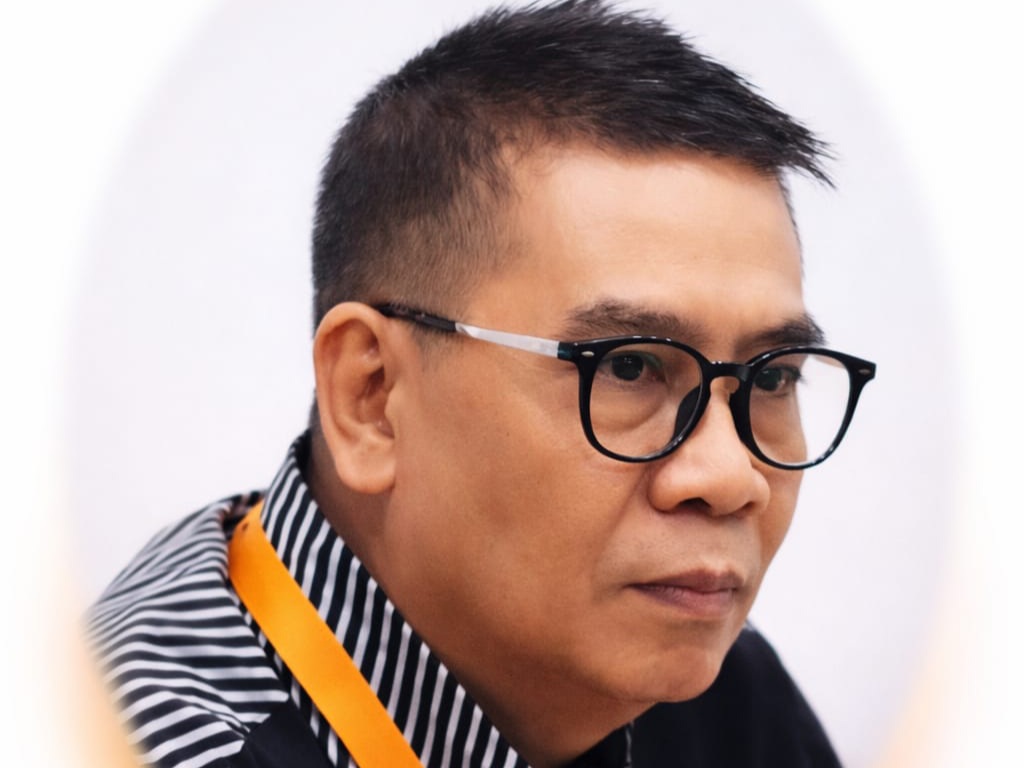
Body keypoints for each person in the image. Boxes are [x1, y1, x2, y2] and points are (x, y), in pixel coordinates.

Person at [87, 1, 876, 766]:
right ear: (371, 398)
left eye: (774, 376)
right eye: (628, 366)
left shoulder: (722, 700)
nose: (732, 478)